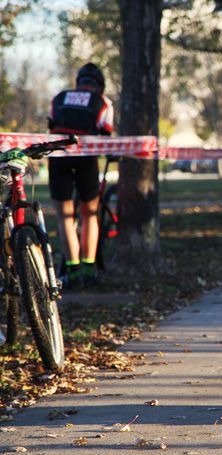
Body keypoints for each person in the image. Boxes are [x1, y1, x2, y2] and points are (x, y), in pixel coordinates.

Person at [48, 63, 113, 287]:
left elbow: (51, 126)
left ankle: (73, 271)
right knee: (90, 214)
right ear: (100, 86)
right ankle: (88, 268)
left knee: (64, 216)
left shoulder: (59, 97)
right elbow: (106, 134)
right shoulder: (103, 102)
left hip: (58, 156)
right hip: (86, 157)